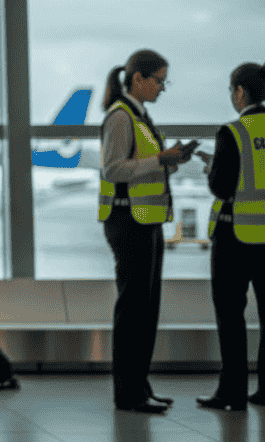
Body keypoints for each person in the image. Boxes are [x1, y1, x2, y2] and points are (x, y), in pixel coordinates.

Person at [98, 49, 194, 414]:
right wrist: (159, 159)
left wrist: (170, 161)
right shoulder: (121, 117)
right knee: (133, 309)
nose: (162, 88)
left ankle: (139, 385)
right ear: (138, 78)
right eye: (159, 80)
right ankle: (128, 393)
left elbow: (141, 167)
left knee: (146, 307)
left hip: (146, 219)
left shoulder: (140, 116)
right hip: (128, 221)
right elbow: (113, 169)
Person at [196, 61, 265, 411]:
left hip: (235, 237)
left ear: (240, 92)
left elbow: (222, 187)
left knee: (231, 316)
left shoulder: (234, 132)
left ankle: (232, 392)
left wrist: (213, 167)